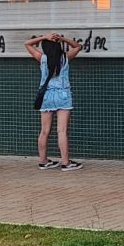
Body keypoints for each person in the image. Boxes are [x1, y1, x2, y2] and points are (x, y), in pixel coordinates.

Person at [24, 33, 83, 170]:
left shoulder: (42, 58)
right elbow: (78, 46)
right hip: (63, 95)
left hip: (46, 95)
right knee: (61, 131)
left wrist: (44, 37)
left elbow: (27, 43)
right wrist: (62, 38)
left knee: (44, 131)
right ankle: (65, 162)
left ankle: (43, 161)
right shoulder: (65, 58)